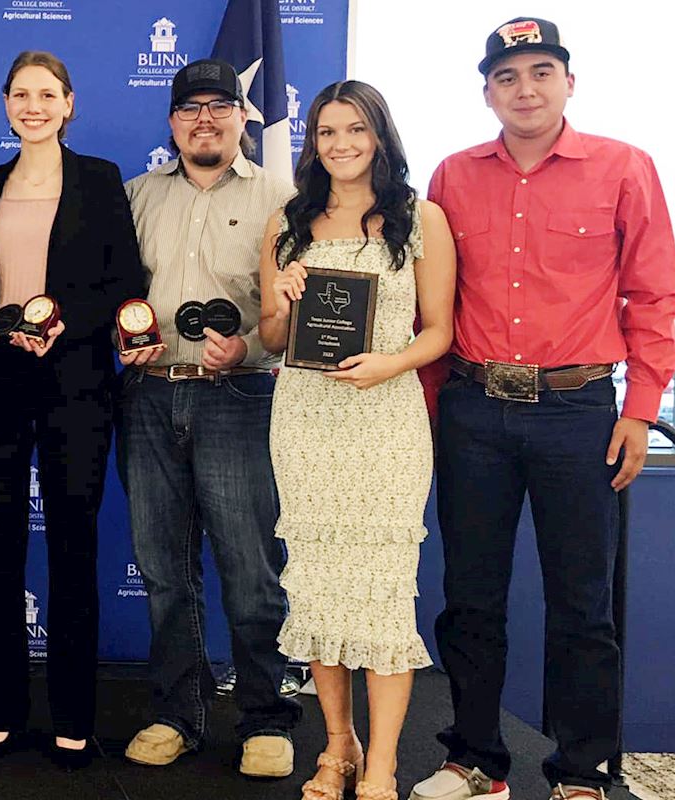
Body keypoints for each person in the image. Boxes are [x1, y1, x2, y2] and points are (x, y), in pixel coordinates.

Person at [409, 18, 675, 800]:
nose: (524, 89)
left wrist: (642, 407)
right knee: (470, 597)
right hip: (473, 410)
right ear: (486, 90)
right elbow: (437, 301)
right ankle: (475, 760)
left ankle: (579, 770)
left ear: (569, 81)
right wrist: (431, 412)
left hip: (579, 413)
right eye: (506, 76)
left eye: (540, 71)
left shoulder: (624, 167)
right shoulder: (452, 176)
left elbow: (655, 293)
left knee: (581, 603)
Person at [256, 80, 456, 800]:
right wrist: (282, 295)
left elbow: (440, 330)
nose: (339, 144)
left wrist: (389, 364)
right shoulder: (287, 221)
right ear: (312, 141)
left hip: (386, 420)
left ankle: (382, 764)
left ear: (380, 136)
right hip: (305, 419)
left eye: (354, 130)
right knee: (318, 593)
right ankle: (338, 747)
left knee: (382, 595)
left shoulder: (419, 215)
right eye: (326, 131)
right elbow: (272, 338)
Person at [116, 58, 301, 777]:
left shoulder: (283, 199)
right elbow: (110, 291)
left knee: (251, 571)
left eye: (219, 106)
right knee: (164, 571)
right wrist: (117, 333)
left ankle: (266, 716)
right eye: (190, 108)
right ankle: (177, 713)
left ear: (242, 117)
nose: (204, 119)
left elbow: (299, 305)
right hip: (151, 395)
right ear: (171, 122)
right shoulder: (136, 196)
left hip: (243, 395)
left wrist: (250, 344)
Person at [0, 50, 141, 769]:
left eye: (47, 94)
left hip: (78, 383)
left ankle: (73, 715)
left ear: (70, 103)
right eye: (20, 94)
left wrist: (73, 320)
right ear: (5, 103)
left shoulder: (99, 181)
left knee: (74, 550)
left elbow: (125, 281)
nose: (32, 105)